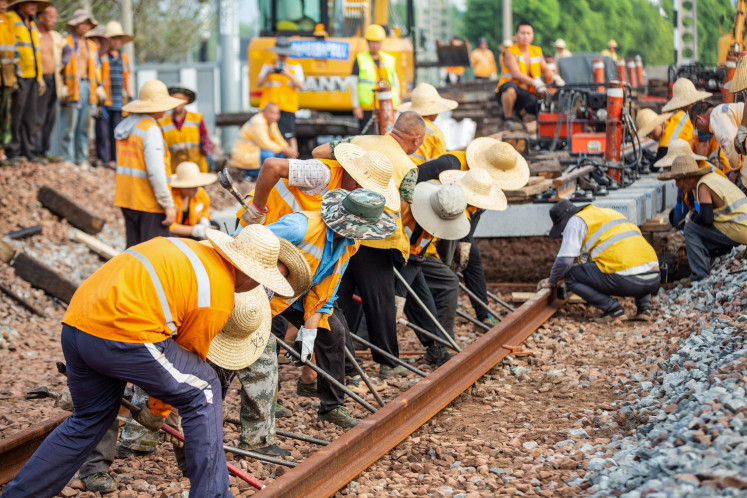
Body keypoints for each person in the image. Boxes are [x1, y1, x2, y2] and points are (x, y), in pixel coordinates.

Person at [0, 224, 294, 498]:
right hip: (121, 334)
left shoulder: (191, 251)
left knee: (89, 419)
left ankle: (18, 495)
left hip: (78, 324)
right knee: (204, 389)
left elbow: (172, 361)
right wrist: (157, 411)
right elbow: (188, 361)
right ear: (249, 272)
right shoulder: (216, 295)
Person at [265, 188, 395, 427]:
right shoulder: (298, 227)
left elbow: (324, 293)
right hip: (260, 288)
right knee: (262, 343)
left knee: (333, 331)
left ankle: (332, 407)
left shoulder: (349, 243)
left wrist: (308, 335)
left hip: (295, 293)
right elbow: (247, 243)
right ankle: (265, 404)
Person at [312, 113, 424, 377]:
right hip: (378, 240)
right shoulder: (408, 166)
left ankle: (343, 365)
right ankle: (388, 363)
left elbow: (318, 152)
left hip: (341, 230)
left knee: (339, 299)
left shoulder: (358, 140)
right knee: (379, 301)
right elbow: (400, 209)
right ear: (416, 139)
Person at [539, 200, 660, 322]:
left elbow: (565, 261)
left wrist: (552, 280)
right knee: (634, 259)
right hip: (654, 278)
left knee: (570, 276)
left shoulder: (574, 222)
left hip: (628, 281)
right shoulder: (608, 213)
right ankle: (644, 308)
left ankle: (613, 309)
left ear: (563, 223)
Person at [396, 181, 470, 364]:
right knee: (388, 305)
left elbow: (416, 253)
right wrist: (398, 292)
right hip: (390, 255)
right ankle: (384, 360)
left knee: (423, 302)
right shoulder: (406, 209)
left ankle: (436, 347)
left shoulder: (438, 217)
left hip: (412, 259)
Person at [114, 79, 182, 249]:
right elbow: (156, 172)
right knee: (155, 255)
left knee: (135, 253)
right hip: (149, 202)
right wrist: (168, 205)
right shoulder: (150, 129)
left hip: (127, 199)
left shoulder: (127, 127)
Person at [660, 156, 747, 282]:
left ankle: (699, 275)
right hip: (740, 226)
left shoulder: (703, 186)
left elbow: (707, 219)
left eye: (678, 180)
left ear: (687, 177)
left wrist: (692, 216)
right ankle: (714, 260)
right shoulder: (713, 178)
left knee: (690, 228)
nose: (677, 185)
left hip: (740, 230)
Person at [495, 21, 564, 129]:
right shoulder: (510, 52)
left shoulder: (536, 51)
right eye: (522, 33)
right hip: (509, 89)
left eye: (528, 33)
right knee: (510, 88)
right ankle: (508, 118)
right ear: (516, 35)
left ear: (532, 35)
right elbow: (516, 74)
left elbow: (545, 70)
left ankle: (521, 114)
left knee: (541, 100)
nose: (525, 36)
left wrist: (555, 77)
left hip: (527, 91)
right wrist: (535, 82)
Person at [5, 0, 44, 163]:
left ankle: (29, 151)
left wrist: (40, 78)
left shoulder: (32, 25)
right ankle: (14, 151)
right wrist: (14, 74)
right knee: (16, 114)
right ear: (20, 5)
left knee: (30, 115)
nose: (34, 6)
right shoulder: (12, 20)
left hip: (33, 76)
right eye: (30, 3)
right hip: (20, 76)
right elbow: (11, 48)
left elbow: (36, 53)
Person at [60, 9, 99, 168]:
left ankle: (82, 159)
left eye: (87, 24)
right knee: (69, 126)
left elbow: (97, 68)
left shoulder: (92, 46)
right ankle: (67, 159)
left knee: (85, 126)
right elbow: (59, 66)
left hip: (88, 87)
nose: (84, 27)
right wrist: (61, 84)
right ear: (75, 25)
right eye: (82, 23)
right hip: (71, 87)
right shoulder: (66, 42)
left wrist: (100, 87)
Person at [256, 36, 304, 153]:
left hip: (287, 107)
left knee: (289, 136)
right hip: (269, 108)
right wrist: (267, 73)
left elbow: (301, 86)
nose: (282, 56)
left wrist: (289, 75)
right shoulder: (268, 65)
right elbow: (258, 83)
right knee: (268, 135)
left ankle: (293, 160)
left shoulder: (295, 66)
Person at [350, 24, 400, 134]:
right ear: (367, 42)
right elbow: (353, 84)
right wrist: (356, 106)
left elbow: (395, 83)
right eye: (372, 42)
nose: (375, 45)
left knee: (387, 135)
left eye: (378, 42)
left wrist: (397, 105)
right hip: (367, 107)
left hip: (387, 105)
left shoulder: (389, 60)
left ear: (382, 42)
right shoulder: (360, 59)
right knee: (367, 136)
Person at [231, 102, 298, 180]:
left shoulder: (271, 122)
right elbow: (265, 143)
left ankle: (267, 173)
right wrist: (285, 150)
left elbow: (278, 138)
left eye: (277, 113)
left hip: (255, 152)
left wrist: (288, 150)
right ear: (263, 112)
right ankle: (252, 174)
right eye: (272, 113)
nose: (274, 116)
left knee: (279, 155)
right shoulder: (258, 122)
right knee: (269, 156)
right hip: (244, 155)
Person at [99, 20, 133, 169]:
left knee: (117, 133)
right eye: (113, 38)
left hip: (120, 102)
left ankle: (116, 158)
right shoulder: (102, 56)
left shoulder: (124, 57)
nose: (116, 41)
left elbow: (127, 78)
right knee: (102, 132)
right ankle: (103, 159)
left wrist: (130, 97)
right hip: (105, 101)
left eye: (118, 38)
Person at [34, 5, 66, 162]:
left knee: (50, 118)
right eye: (50, 16)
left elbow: (69, 50)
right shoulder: (33, 34)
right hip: (39, 82)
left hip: (54, 80)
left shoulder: (56, 36)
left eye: (55, 17)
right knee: (37, 118)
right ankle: (34, 151)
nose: (54, 20)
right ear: (40, 17)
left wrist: (63, 64)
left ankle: (44, 152)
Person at [397, 82, 457, 165]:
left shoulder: (397, 126)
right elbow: (440, 165)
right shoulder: (435, 133)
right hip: (419, 175)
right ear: (432, 112)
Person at [656, 78, 712, 165]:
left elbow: (704, 146)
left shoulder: (702, 113)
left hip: (722, 165)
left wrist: (696, 169)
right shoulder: (694, 114)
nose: (681, 108)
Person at [159, 86, 214, 173]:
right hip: (175, 171)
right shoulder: (162, 123)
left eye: (180, 99)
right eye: (173, 100)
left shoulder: (197, 118)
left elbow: (205, 139)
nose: (176, 103)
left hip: (197, 169)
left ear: (186, 100)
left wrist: (208, 153)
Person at [689, 101, 744, 185]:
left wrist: (735, 170)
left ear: (700, 119)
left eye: (697, 127)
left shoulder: (716, 116)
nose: (700, 130)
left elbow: (730, 141)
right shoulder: (721, 112)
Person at [167, 161, 217, 240]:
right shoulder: (170, 198)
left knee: (215, 225)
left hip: (192, 226)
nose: (196, 189)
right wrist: (193, 230)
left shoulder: (200, 194)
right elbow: (169, 226)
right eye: (192, 186)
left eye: (197, 185)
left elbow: (204, 211)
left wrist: (203, 219)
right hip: (176, 234)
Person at [0, 0, 16, 162]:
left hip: (6, 77)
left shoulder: (9, 20)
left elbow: (14, 48)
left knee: (5, 115)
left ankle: (1, 151)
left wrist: (15, 74)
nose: (3, 3)